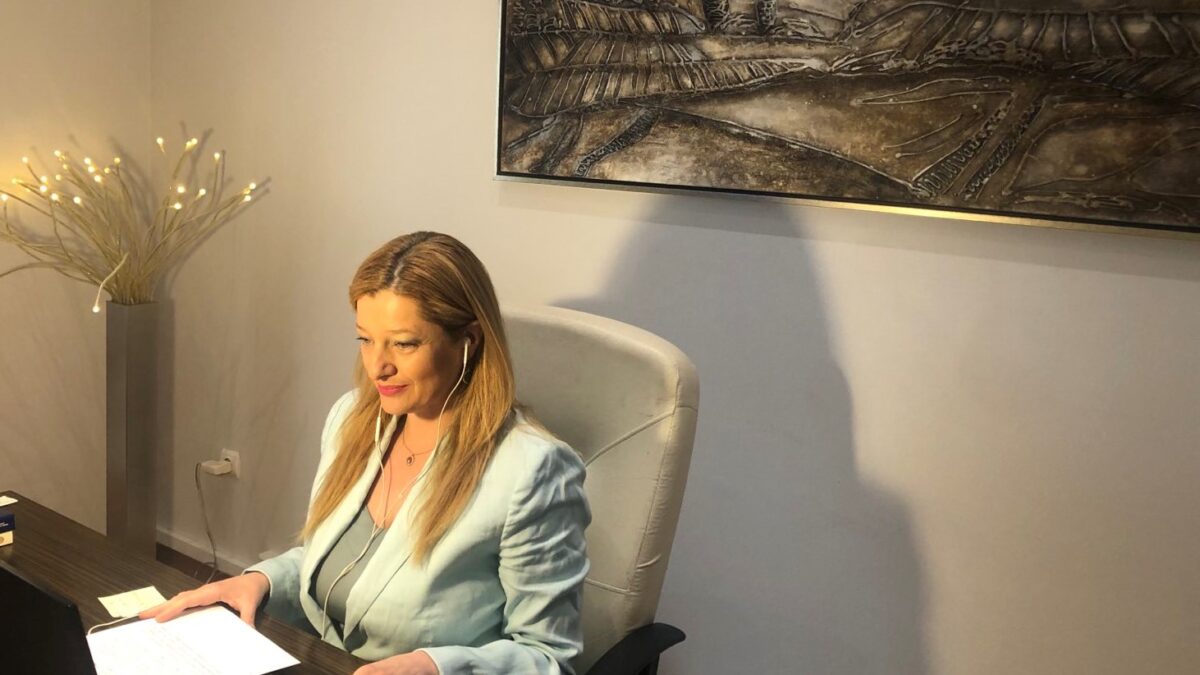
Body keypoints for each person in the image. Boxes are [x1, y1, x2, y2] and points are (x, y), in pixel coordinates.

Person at [141, 232, 591, 675]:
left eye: (404, 343)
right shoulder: (353, 419)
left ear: (468, 341)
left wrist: (436, 667)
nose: (378, 366)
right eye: (365, 339)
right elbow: (343, 565)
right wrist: (261, 580)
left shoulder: (532, 469)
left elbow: (547, 656)